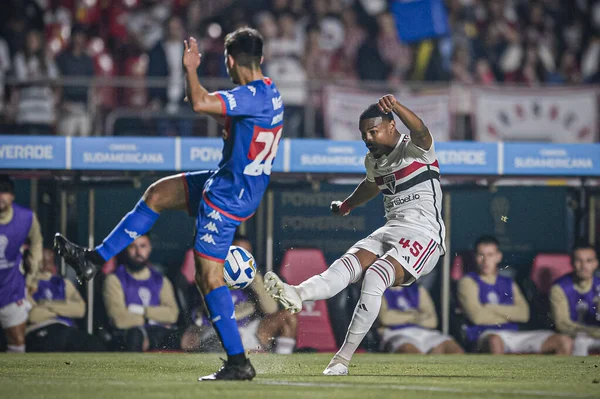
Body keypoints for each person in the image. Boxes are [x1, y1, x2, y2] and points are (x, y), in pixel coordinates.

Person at [54, 27, 283, 380]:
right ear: (262, 59)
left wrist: (190, 69)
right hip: (232, 180)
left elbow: (199, 102)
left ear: (230, 60)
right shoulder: (271, 93)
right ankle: (93, 260)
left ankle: (238, 362)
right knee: (157, 194)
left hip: (226, 195)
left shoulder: (249, 95)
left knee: (209, 278)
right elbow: (241, 122)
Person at [265, 95, 445, 375]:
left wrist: (396, 106)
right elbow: (372, 186)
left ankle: (341, 360)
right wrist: (348, 204)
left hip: (424, 235)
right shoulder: (373, 160)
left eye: (373, 131)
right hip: (391, 229)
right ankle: (297, 293)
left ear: (391, 127)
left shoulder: (415, 150)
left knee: (375, 275)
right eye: (364, 134)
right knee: (345, 265)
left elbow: (421, 130)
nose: (368, 138)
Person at [182, 234, 297, 354]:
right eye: (238, 252)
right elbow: (219, 313)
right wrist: (246, 309)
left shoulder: (254, 278)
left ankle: (282, 363)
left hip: (249, 329)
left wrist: (256, 284)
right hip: (217, 330)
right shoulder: (211, 276)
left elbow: (271, 309)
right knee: (229, 335)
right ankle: (243, 354)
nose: (242, 258)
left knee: (288, 316)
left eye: (246, 253)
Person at [458, 235, 573, 355]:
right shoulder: (468, 281)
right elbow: (478, 317)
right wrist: (510, 314)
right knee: (495, 341)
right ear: (475, 257)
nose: (485, 260)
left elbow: (523, 314)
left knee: (564, 341)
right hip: (485, 334)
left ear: (498, 257)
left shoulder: (508, 282)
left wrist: (489, 307)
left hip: (514, 333)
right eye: (481, 255)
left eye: (490, 255)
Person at [103, 234, 179, 352]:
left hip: (160, 333)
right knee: (136, 336)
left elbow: (173, 314)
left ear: (149, 248)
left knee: (191, 336)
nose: (138, 252)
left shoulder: (161, 280)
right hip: (130, 334)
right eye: (132, 247)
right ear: (125, 249)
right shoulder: (114, 279)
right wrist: (154, 318)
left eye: (142, 246)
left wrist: (140, 310)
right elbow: (119, 319)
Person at [26, 249, 105, 352]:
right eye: (43, 262)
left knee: (95, 345)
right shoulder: (26, 284)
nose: (46, 266)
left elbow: (80, 309)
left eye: (50, 261)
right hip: (39, 329)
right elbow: (33, 315)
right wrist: (65, 309)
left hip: (65, 328)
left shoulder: (63, 283)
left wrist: (45, 304)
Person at [0, 175, 43, 353]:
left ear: (12, 196)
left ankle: (16, 380)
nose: (0, 196)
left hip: (10, 288)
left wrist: (32, 279)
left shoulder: (26, 217)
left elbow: (37, 244)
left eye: (5, 192)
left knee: (17, 340)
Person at [378, 283, 463, 354]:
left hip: (425, 332)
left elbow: (432, 321)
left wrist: (400, 316)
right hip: (395, 332)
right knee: (409, 350)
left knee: (453, 349)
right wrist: (415, 315)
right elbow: (385, 318)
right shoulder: (381, 289)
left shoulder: (418, 288)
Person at [550, 244, 600, 356]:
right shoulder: (560, 287)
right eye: (579, 261)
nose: (584, 266)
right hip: (576, 336)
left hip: (596, 335)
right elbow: (562, 324)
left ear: (596, 263)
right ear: (572, 263)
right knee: (580, 342)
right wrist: (593, 332)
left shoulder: (598, 285)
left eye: (589, 261)